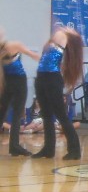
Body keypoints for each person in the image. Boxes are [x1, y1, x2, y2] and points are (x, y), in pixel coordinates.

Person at [32, 27, 83, 159]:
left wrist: (65, 30)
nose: (66, 27)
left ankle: (75, 150)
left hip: (52, 78)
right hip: (41, 77)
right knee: (46, 115)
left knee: (61, 115)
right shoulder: (54, 39)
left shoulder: (64, 37)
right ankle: (48, 149)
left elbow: (71, 35)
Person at [0, 36, 40, 156]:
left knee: (4, 113)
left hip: (6, 82)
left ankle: (15, 147)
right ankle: (14, 147)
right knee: (16, 114)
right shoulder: (14, 45)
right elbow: (32, 54)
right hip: (17, 81)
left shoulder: (9, 47)